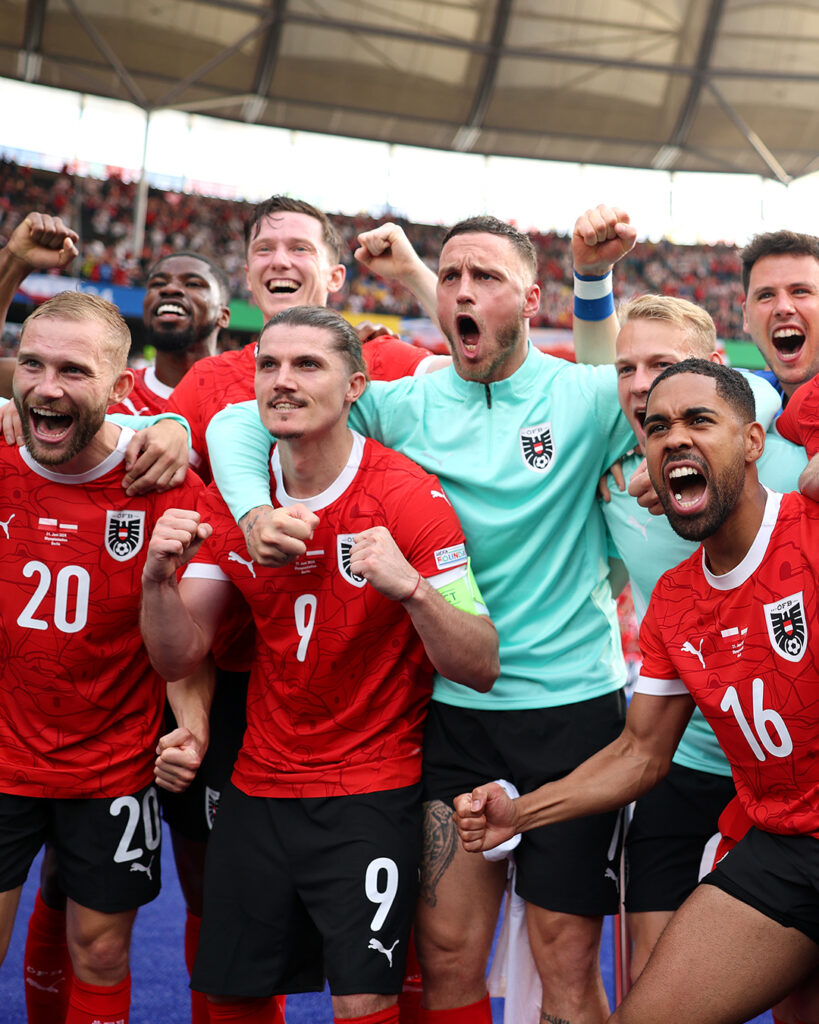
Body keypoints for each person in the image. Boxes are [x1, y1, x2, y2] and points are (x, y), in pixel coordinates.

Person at [203, 215, 637, 1023]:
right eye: (451, 277)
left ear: (530, 299)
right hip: (452, 714)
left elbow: (685, 388)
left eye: (488, 278)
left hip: (572, 711)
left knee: (565, 962)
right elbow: (237, 420)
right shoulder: (399, 403)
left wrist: (594, 283)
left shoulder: (582, 395)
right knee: (442, 956)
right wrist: (253, 509)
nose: (465, 292)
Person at [140, 305, 499, 1024]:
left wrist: (414, 590)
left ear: (356, 386)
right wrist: (155, 580)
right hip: (258, 783)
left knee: (364, 1000)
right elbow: (179, 653)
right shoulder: (234, 505)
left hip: (369, 788)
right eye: (268, 365)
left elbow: (480, 661)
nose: (281, 380)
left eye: (307, 365)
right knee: (231, 992)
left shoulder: (405, 495)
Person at [454, 358, 819, 1024]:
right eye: (655, 427)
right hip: (783, 848)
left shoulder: (810, 529)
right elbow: (639, 755)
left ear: (752, 442)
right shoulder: (675, 604)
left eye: (698, 420)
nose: (673, 437)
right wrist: (521, 813)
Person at [0, 291, 205, 1024]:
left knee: (101, 952)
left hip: (112, 765)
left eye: (73, 371)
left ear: (122, 389)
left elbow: (194, 643)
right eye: (32, 364)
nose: (47, 387)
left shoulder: (166, 488)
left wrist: (191, 722)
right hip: (3, 757)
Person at [597, 292, 805, 982]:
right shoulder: (608, 472)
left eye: (661, 364)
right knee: (653, 982)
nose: (639, 382)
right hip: (682, 759)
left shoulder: (785, 460)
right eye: (625, 368)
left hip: (786, 785)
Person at [165, 195, 446, 475]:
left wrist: (413, 273)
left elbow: (480, 376)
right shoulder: (206, 379)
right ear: (248, 277)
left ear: (335, 277)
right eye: (264, 249)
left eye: (300, 248)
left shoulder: (381, 356)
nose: (280, 261)